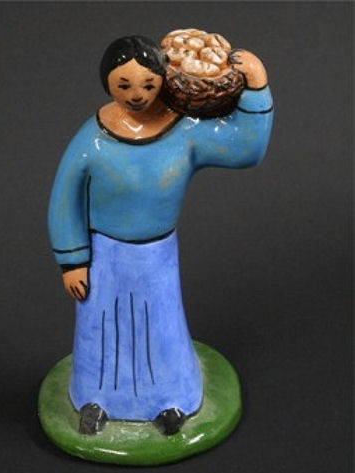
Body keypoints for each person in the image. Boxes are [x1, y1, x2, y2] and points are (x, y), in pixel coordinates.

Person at [48, 35, 273, 435]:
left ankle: (171, 400)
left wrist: (256, 86)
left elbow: (245, 148)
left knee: (162, 328)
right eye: (124, 85)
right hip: (105, 258)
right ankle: (96, 400)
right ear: (107, 84)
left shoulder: (183, 131)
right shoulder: (92, 140)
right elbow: (64, 199)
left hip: (157, 257)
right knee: (102, 332)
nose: (136, 95)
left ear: (164, 81)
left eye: (148, 85)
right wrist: (72, 261)